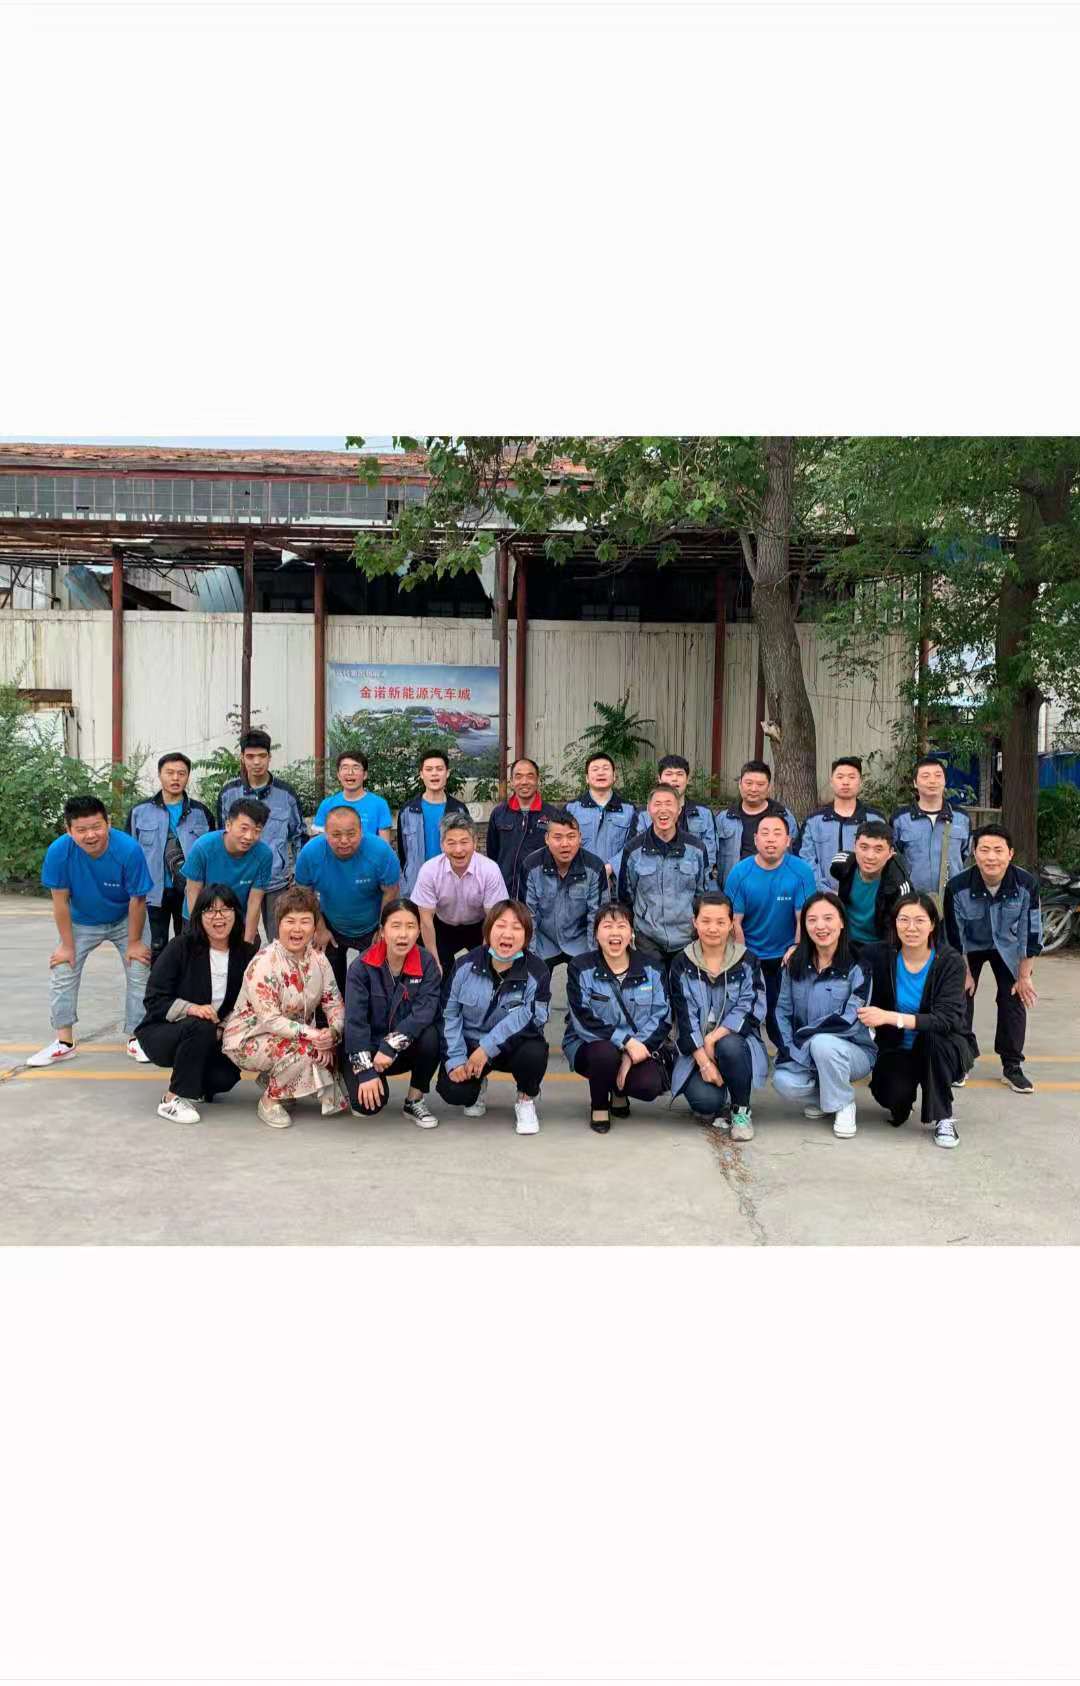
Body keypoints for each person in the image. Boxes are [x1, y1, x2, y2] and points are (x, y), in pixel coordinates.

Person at [28, 795, 154, 1068]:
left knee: (140, 968)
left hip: (125, 918)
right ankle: (64, 1042)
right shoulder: (59, 852)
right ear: (68, 830)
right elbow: (60, 901)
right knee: (62, 969)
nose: (90, 835)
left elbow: (138, 900)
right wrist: (66, 945)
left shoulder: (128, 850)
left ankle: (137, 1037)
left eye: (97, 826)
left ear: (108, 823)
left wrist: (134, 942)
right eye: (81, 829)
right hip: (82, 921)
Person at [222, 884, 348, 1128]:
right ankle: (269, 1100)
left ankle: (279, 1077)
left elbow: (334, 1003)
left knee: (326, 1051)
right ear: (278, 924)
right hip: (249, 1038)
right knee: (309, 1051)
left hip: (294, 1037)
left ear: (315, 926)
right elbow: (270, 1020)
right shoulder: (264, 962)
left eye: (305, 921)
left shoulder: (319, 960)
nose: (297, 929)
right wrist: (314, 1036)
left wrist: (331, 1033)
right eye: (290, 921)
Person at [858, 892, 976, 1149]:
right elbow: (839, 951)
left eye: (919, 920)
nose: (911, 928)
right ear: (895, 923)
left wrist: (890, 1017)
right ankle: (905, 1096)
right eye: (904, 920)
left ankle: (944, 1117)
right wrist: (799, 949)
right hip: (898, 1047)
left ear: (932, 924)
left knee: (933, 1038)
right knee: (890, 1095)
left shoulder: (950, 961)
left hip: (943, 1046)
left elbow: (945, 1020)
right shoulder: (880, 955)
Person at [133, 884, 258, 1124]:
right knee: (201, 1024)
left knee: (224, 1077)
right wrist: (191, 1008)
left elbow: (250, 1002)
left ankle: (194, 1084)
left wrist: (224, 1027)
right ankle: (171, 1099)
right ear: (199, 916)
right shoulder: (181, 947)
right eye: (210, 910)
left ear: (236, 914)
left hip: (215, 1033)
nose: (218, 917)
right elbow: (154, 998)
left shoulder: (246, 953)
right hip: (164, 1031)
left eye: (226, 909)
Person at [435, 900, 552, 1134]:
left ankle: (525, 1099)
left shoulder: (538, 971)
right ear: (488, 930)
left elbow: (534, 1018)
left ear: (526, 937)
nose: (507, 934)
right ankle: (477, 1084)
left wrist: (487, 1048)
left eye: (516, 928)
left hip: (511, 1046)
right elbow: (449, 1014)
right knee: (454, 1092)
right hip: (470, 1046)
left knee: (535, 1052)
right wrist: (455, 1058)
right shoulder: (464, 965)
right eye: (501, 925)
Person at [943, 823, 1041, 1096]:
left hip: (1007, 946)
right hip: (969, 946)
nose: (991, 857)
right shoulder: (957, 887)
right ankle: (961, 1058)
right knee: (959, 994)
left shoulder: (1026, 885)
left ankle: (1012, 1065)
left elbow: (1031, 932)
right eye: (984, 850)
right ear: (974, 853)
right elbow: (953, 936)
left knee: (1014, 996)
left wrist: (1024, 976)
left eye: (998, 850)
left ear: (1010, 854)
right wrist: (964, 973)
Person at [771, 892, 877, 1138]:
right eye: (812, 920)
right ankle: (828, 1096)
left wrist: (804, 1040)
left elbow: (851, 1020)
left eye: (828, 918)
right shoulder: (794, 963)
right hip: (806, 1050)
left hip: (853, 1052)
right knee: (783, 1082)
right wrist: (790, 1049)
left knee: (823, 1044)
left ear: (842, 922)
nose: (820, 926)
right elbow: (781, 1012)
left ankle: (844, 1104)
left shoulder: (858, 965)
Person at [564, 903, 671, 1134]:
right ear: (596, 933)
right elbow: (582, 1018)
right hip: (590, 1046)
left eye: (622, 926)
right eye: (607, 926)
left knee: (649, 1085)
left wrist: (632, 1052)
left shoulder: (652, 968)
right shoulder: (580, 967)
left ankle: (619, 1091)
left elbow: (662, 1016)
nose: (615, 933)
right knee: (604, 1053)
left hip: (639, 1046)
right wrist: (625, 1042)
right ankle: (599, 1105)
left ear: (631, 932)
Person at [668, 893, 767, 1141]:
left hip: (736, 1043)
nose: (713, 928)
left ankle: (741, 1110)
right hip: (696, 1051)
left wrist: (714, 1037)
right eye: (706, 921)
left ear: (732, 923)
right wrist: (704, 1061)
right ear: (695, 922)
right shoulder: (682, 963)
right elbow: (684, 1018)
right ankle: (724, 1092)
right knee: (705, 1103)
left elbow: (752, 1007)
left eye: (721, 922)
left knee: (730, 1045)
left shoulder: (747, 960)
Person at [343, 897, 443, 1127]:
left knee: (433, 1034)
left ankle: (414, 1100)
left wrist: (390, 1046)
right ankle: (346, 1074)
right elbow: (355, 1021)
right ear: (382, 931)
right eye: (395, 926)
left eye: (410, 926)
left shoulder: (427, 964)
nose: (403, 934)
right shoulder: (361, 966)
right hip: (368, 1048)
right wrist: (365, 1071)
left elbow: (424, 1013)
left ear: (419, 932)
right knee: (368, 1106)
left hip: (401, 1049)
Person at [724, 812, 817, 1060]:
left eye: (777, 834)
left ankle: (792, 1054)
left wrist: (796, 948)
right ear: (755, 839)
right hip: (750, 951)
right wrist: (744, 958)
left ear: (788, 840)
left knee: (780, 1011)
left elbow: (803, 917)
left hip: (787, 952)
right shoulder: (740, 872)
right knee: (750, 1008)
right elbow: (734, 922)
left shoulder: (801, 871)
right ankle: (749, 1055)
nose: (771, 839)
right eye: (764, 833)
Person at [294, 805, 401, 997]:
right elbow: (305, 894)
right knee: (330, 984)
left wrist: (383, 928)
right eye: (336, 835)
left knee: (373, 984)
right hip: (331, 923)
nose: (344, 841)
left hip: (372, 925)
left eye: (351, 834)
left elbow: (391, 892)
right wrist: (319, 928)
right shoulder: (309, 854)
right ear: (325, 833)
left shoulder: (381, 852)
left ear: (361, 831)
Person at [216, 728, 306, 939]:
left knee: (281, 941)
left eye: (262, 756)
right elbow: (221, 837)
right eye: (250, 756)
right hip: (239, 881)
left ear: (269, 757)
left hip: (276, 882)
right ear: (242, 757)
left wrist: (297, 874)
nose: (256, 762)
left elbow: (299, 836)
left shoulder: (286, 794)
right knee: (238, 940)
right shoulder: (228, 794)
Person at [126, 751, 214, 959]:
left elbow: (212, 853)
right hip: (152, 891)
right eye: (170, 772)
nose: (176, 778)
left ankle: (185, 980)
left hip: (190, 891)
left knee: (190, 944)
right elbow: (129, 854)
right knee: (154, 947)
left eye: (181, 773)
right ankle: (158, 980)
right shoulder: (139, 811)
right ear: (159, 775)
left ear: (188, 776)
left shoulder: (201, 812)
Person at [617, 785, 708, 979]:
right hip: (647, 938)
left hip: (687, 937)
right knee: (651, 991)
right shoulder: (633, 850)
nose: (663, 810)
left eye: (669, 804)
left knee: (684, 992)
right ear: (649, 809)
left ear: (679, 809)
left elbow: (702, 894)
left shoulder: (696, 849)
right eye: (657, 804)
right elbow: (626, 896)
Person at [412, 815, 509, 974]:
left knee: (482, 973)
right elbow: (426, 921)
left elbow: (493, 919)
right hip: (442, 925)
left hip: (480, 926)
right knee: (438, 973)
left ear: (475, 843)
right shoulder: (429, 870)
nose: (458, 850)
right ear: (442, 845)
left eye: (464, 842)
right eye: (451, 843)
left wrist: (485, 961)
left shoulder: (490, 870)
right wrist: (434, 962)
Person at [521, 809, 605, 972]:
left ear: (580, 838)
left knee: (587, 983)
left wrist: (594, 959)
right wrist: (530, 957)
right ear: (547, 839)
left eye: (571, 837)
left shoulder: (594, 868)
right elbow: (527, 915)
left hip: (580, 941)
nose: (565, 844)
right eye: (557, 837)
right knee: (533, 981)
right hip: (543, 941)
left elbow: (597, 917)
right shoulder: (531, 866)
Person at [182, 798, 273, 946]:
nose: (249, 837)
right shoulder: (202, 847)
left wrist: (248, 942)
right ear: (228, 825)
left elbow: (254, 902)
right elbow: (193, 893)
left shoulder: (264, 855)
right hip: (200, 915)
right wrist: (200, 933)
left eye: (257, 831)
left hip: (236, 918)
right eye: (243, 828)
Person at [890, 755, 971, 906]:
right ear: (915, 783)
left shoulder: (961, 818)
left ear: (945, 781)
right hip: (913, 900)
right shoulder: (900, 819)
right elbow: (895, 858)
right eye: (925, 776)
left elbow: (964, 854)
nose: (932, 781)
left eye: (938, 776)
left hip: (953, 900)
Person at [798, 756, 885, 890]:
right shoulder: (814, 822)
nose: (845, 782)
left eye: (851, 777)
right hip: (822, 896)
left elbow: (886, 859)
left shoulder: (875, 819)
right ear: (831, 782)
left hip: (866, 896)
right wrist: (826, 892)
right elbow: (806, 861)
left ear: (860, 782)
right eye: (840, 777)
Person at [630, 754, 719, 881]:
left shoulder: (704, 814)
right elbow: (634, 853)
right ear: (659, 779)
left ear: (687, 779)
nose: (674, 779)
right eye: (669, 774)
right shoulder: (643, 815)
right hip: (652, 881)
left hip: (692, 880)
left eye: (679, 774)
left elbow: (709, 856)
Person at [830, 820, 913, 955]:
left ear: (891, 853)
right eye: (864, 847)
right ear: (855, 846)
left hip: (880, 947)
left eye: (878, 849)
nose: (869, 856)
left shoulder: (898, 884)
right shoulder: (843, 866)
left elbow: (905, 924)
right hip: (844, 942)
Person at [397, 749, 472, 896]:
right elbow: (403, 853)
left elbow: (467, 850)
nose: (434, 773)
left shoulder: (459, 810)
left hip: (452, 887)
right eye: (429, 769)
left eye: (439, 769)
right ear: (421, 774)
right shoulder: (407, 811)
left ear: (447, 773)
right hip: (416, 887)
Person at [485, 757, 559, 899]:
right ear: (511, 782)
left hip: (540, 893)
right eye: (518, 776)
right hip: (505, 891)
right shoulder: (499, 814)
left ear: (538, 780)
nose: (524, 782)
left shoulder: (552, 815)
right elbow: (492, 853)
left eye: (530, 776)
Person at [715, 760, 799, 883]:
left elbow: (796, 856)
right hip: (735, 887)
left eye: (760, 784)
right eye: (748, 783)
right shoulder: (724, 819)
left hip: (776, 886)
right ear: (740, 784)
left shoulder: (785, 817)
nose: (754, 789)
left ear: (769, 787)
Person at [566, 752, 638, 881]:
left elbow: (633, 845)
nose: (600, 773)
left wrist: (610, 867)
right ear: (587, 778)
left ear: (614, 776)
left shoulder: (629, 810)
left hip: (617, 881)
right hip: (579, 878)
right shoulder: (571, 809)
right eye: (595, 769)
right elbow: (564, 843)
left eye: (605, 768)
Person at [309, 749, 393, 843]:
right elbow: (318, 844)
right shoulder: (327, 804)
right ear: (338, 775)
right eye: (345, 768)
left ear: (365, 775)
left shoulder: (379, 804)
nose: (350, 772)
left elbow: (384, 846)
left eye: (356, 768)